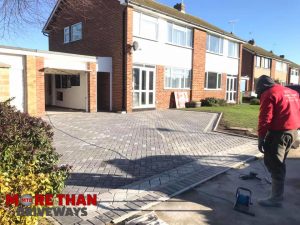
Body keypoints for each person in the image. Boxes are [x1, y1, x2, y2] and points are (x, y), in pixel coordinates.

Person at [255, 75, 300, 207]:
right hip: (293, 131)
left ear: (261, 87)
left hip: (280, 133)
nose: (259, 95)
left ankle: (276, 198)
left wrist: (261, 138)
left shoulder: (269, 93)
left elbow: (265, 118)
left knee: (275, 162)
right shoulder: (291, 92)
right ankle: (277, 189)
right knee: (280, 161)